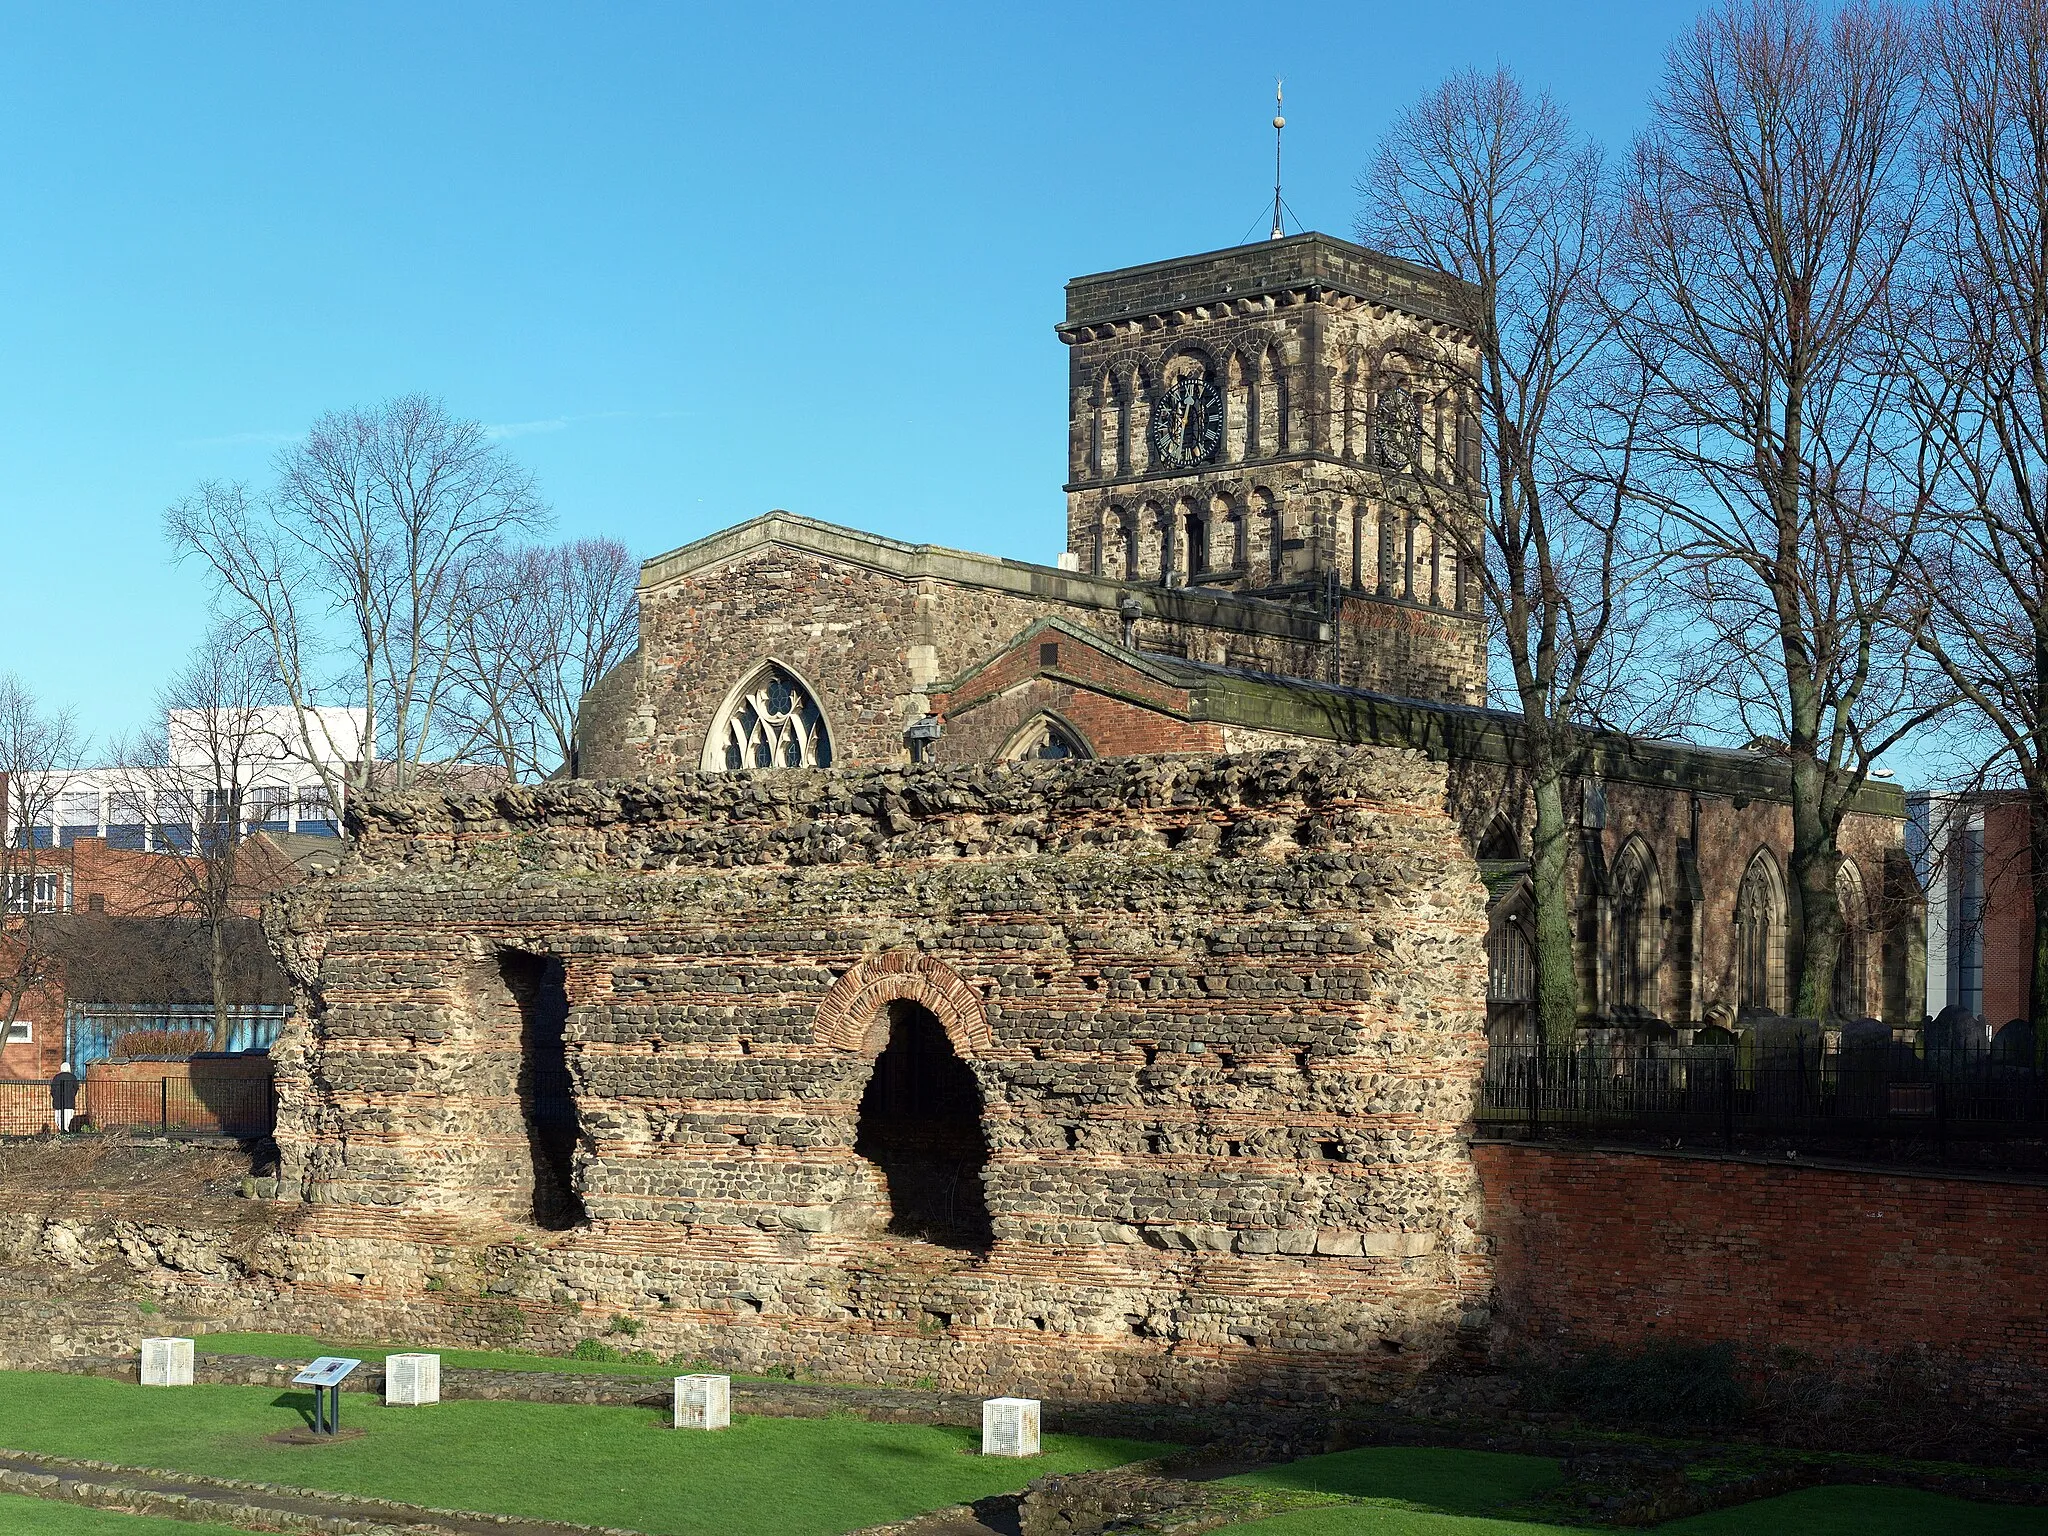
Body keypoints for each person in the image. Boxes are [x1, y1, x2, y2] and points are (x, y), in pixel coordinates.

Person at [50, 1060, 78, 1133]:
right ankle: (66, 1132)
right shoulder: (73, 1077)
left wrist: (55, 1097)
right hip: (69, 1102)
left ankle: (62, 1131)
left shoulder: (56, 1077)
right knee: (68, 1120)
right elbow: (76, 1089)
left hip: (58, 1102)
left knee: (58, 1119)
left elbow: (52, 1090)